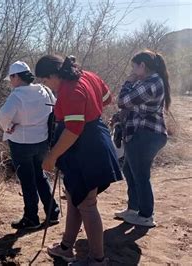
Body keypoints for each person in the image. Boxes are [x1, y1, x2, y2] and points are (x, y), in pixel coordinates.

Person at [35, 55, 122, 265]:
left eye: (46, 81)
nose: (48, 86)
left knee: (87, 204)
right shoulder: (88, 76)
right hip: (89, 142)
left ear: (54, 75)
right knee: (76, 198)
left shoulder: (70, 90)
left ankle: (98, 260)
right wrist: (91, 109)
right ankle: (66, 247)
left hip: (87, 148)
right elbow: (107, 98)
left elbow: (74, 129)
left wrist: (52, 156)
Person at [0, 61, 60, 230]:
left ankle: (31, 217)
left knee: (27, 180)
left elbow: (3, 116)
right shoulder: (44, 90)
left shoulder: (16, 95)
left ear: (16, 76)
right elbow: (55, 108)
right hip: (42, 140)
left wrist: (8, 127)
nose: (10, 81)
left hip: (21, 142)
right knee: (40, 175)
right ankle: (52, 211)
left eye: (11, 77)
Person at [113, 50, 169, 227]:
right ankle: (133, 209)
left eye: (134, 66)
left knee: (141, 175)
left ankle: (146, 215)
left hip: (146, 134)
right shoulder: (149, 81)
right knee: (130, 171)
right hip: (143, 133)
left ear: (142, 66)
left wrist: (128, 83)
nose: (132, 70)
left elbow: (123, 101)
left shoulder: (151, 82)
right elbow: (134, 106)